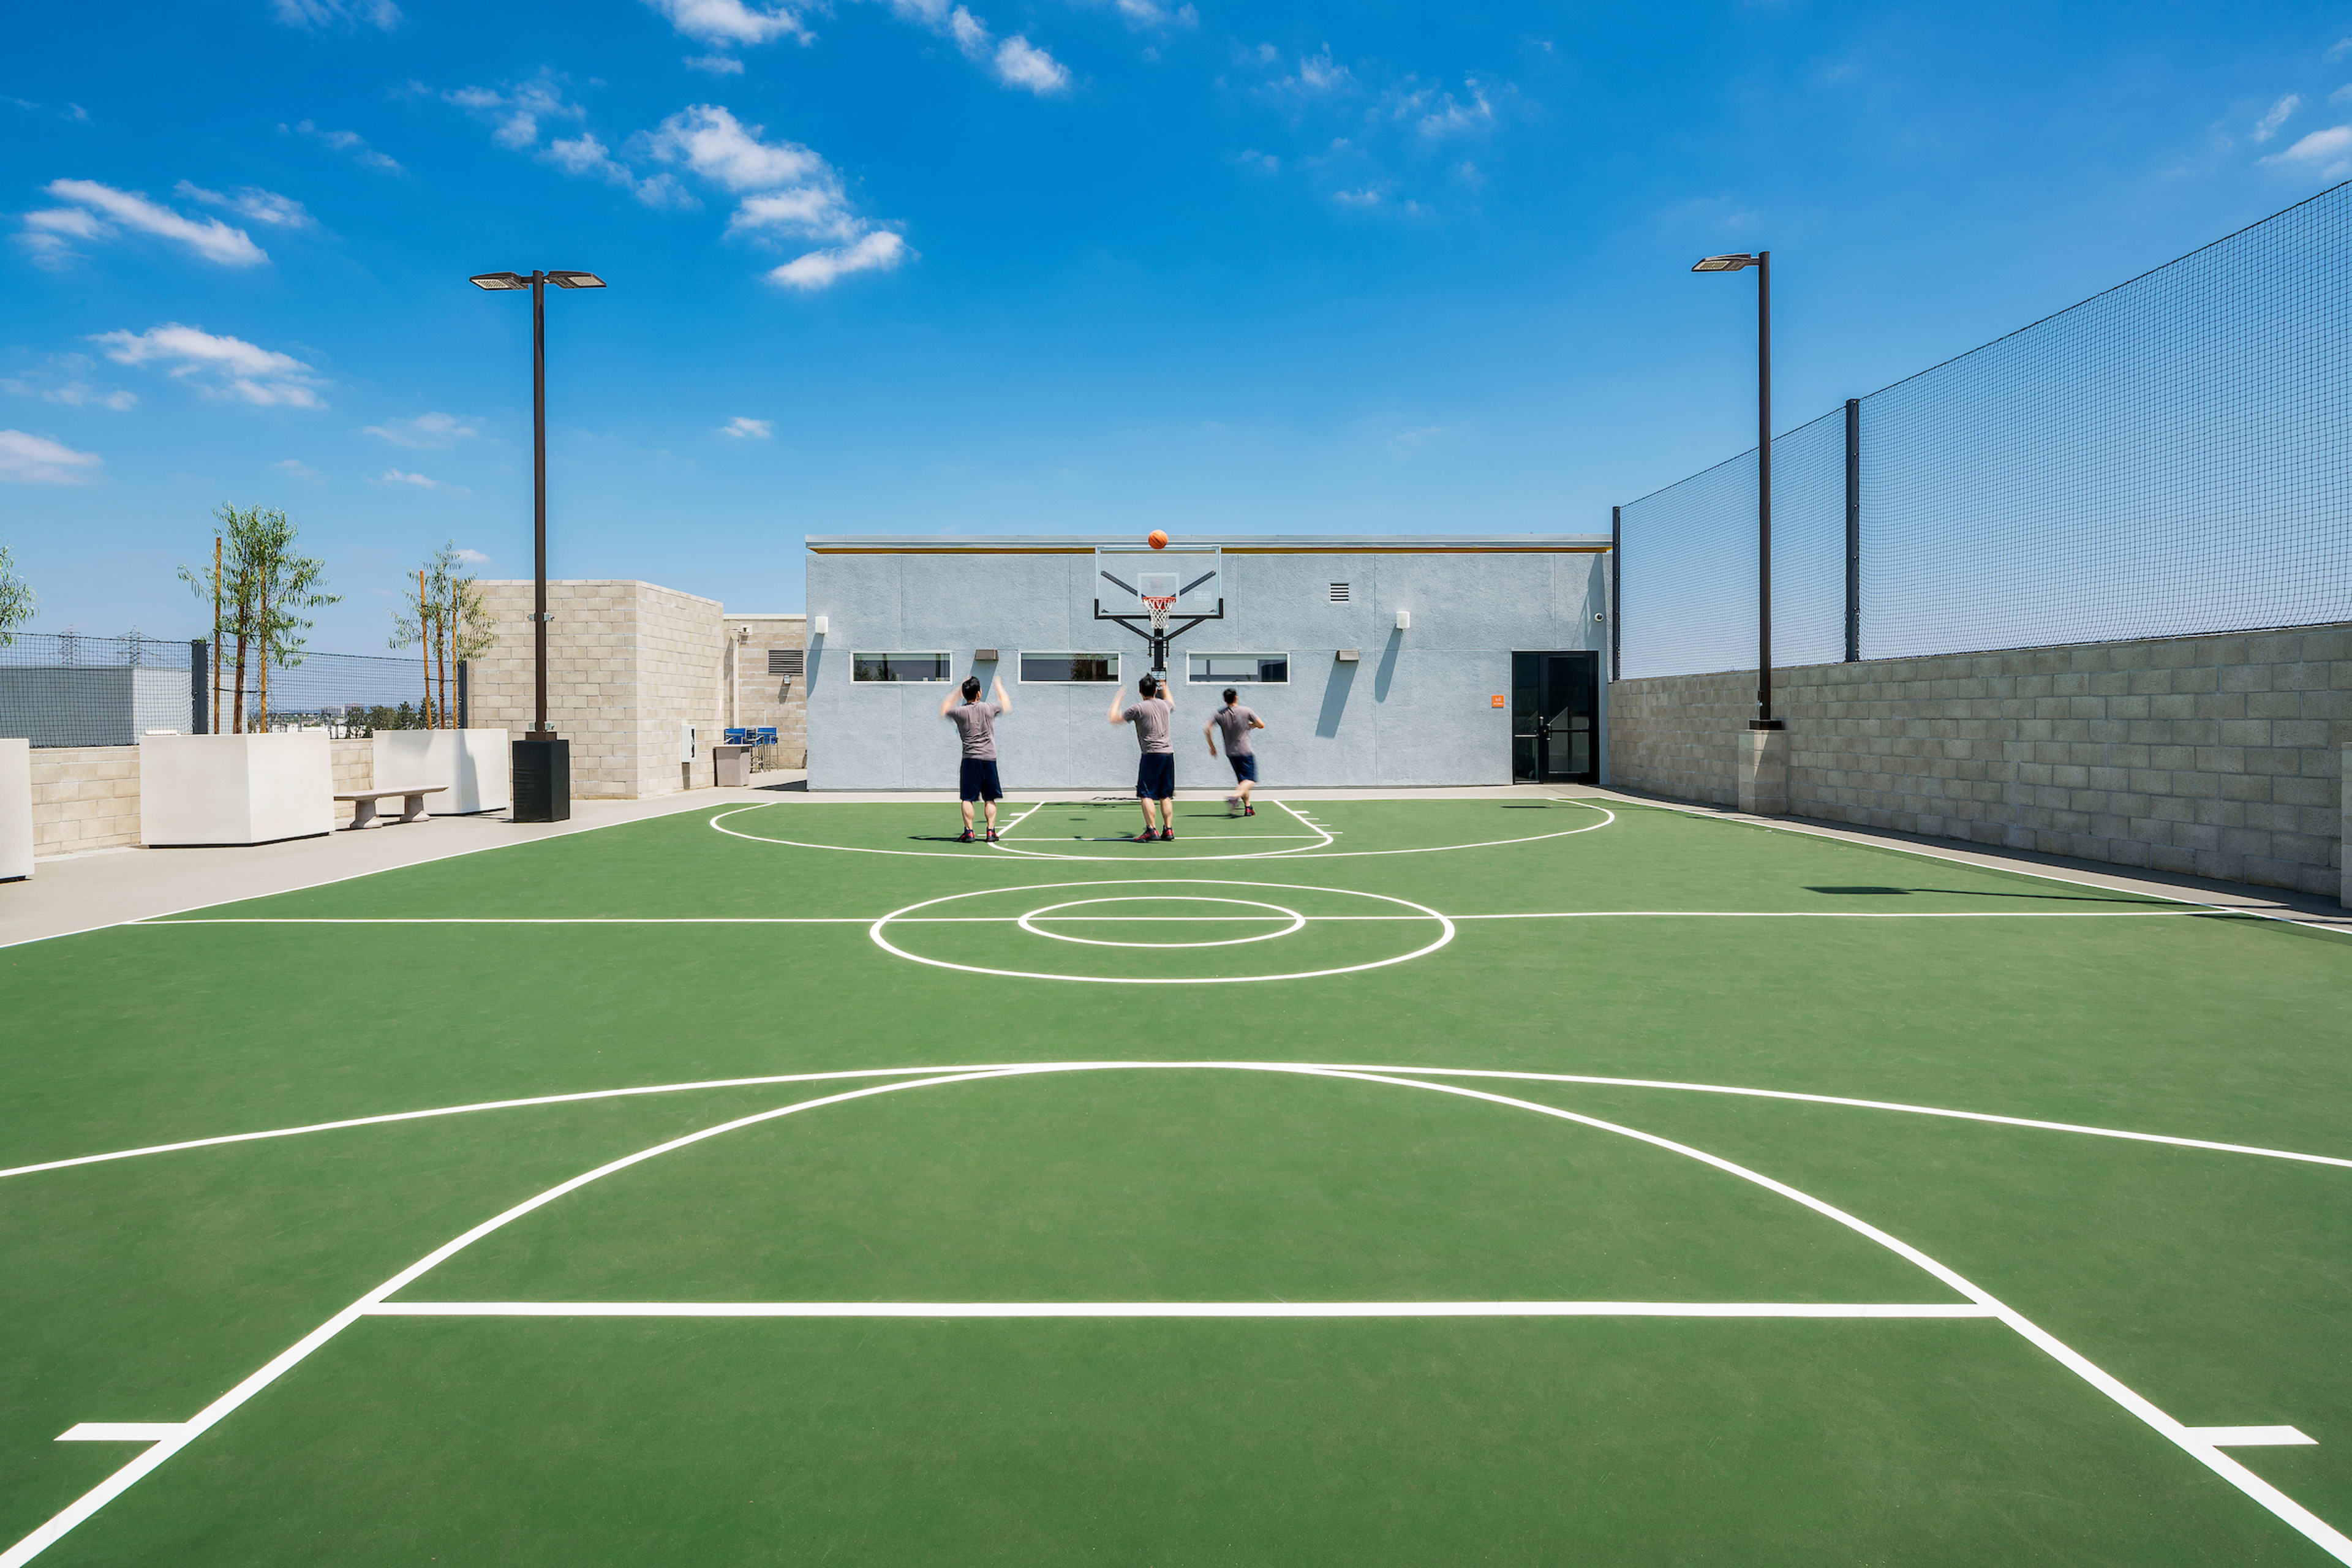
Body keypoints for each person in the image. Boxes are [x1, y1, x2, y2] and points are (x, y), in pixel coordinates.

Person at [940, 673, 1011, 843]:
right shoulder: (989, 708)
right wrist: (999, 685)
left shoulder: (959, 712)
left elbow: (944, 708)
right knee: (990, 798)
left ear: (966, 695)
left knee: (967, 798)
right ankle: (990, 832)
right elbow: (1006, 705)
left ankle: (969, 832)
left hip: (970, 759)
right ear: (979, 693)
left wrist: (959, 690)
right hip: (989, 759)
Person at [1107, 672, 1177, 842]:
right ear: (1155, 690)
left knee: (1146, 794)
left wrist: (1118, 698)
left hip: (1151, 755)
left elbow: (1113, 719)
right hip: (1168, 754)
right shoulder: (1165, 705)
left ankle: (1151, 829)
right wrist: (1164, 685)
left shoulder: (1137, 708)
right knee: (1165, 795)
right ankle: (1168, 830)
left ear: (1140, 692)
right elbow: (1172, 702)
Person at [1205, 688, 1267, 815]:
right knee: (1251, 780)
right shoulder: (1246, 711)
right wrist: (1254, 725)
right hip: (1245, 751)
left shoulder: (1219, 714)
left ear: (1225, 700)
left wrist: (1212, 746)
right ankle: (1234, 797)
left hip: (1231, 753)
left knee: (1242, 781)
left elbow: (1207, 728)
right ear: (1236, 698)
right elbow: (1262, 724)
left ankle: (1248, 807)